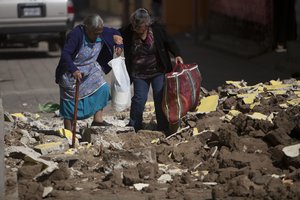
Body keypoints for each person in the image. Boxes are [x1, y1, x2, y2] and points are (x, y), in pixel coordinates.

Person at [120, 8, 183, 133]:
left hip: (158, 71)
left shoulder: (157, 30)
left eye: (139, 26)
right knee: (139, 99)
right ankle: (134, 125)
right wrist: (117, 43)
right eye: (134, 26)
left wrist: (177, 54)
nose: (136, 29)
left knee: (160, 98)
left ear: (146, 24)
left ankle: (163, 127)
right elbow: (115, 34)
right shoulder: (128, 31)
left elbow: (169, 42)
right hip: (139, 73)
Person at [55, 14, 123, 131]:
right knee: (70, 104)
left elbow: (115, 32)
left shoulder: (101, 31)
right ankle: (69, 130)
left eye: (99, 32)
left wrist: (119, 43)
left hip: (90, 69)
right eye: (95, 33)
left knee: (102, 89)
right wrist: (74, 70)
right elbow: (65, 54)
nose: (98, 35)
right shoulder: (76, 35)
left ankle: (98, 120)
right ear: (87, 29)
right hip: (71, 71)